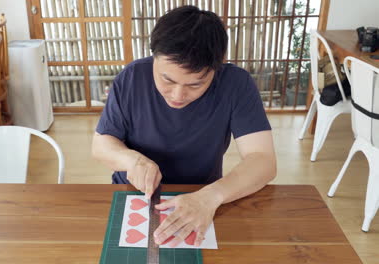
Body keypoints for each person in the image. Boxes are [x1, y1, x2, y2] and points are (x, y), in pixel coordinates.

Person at [92, 6, 276, 248]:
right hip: (135, 194)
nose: (178, 95)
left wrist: (212, 196)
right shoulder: (132, 77)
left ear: (216, 68)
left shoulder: (236, 84)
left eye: (196, 84)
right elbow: (101, 144)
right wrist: (130, 160)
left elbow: (263, 160)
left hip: (203, 195)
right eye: (167, 79)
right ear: (154, 57)